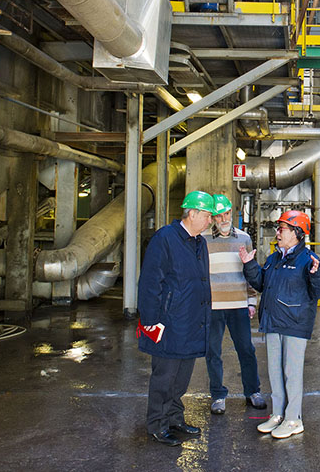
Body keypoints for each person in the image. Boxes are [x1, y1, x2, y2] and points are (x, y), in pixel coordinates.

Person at [238, 209, 320, 440]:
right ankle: (278, 414)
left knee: (292, 373)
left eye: (282, 229)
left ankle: (293, 419)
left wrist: (316, 274)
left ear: (297, 233)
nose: (277, 233)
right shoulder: (274, 259)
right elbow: (261, 283)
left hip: (294, 325)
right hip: (272, 322)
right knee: (275, 372)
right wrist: (250, 265)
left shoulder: (309, 260)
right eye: (278, 229)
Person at [137, 190, 214, 446]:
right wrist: (150, 321)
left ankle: (174, 418)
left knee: (181, 378)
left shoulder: (199, 243)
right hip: (168, 323)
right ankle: (157, 425)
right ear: (192, 213)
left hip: (191, 321)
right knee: (164, 377)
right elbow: (150, 283)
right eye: (207, 215)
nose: (210, 220)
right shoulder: (165, 239)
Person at [203, 194, 267, 414]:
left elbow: (249, 272)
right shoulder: (202, 240)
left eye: (227, 213)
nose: (224, 219)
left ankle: (253, 391)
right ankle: (218, 395)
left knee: (246, 349)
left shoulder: (244, 238)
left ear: (232, 212)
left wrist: (251, 301)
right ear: (212, 217)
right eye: (219, 215)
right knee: (213, 352)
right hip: (212, 307)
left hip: (238, 304)